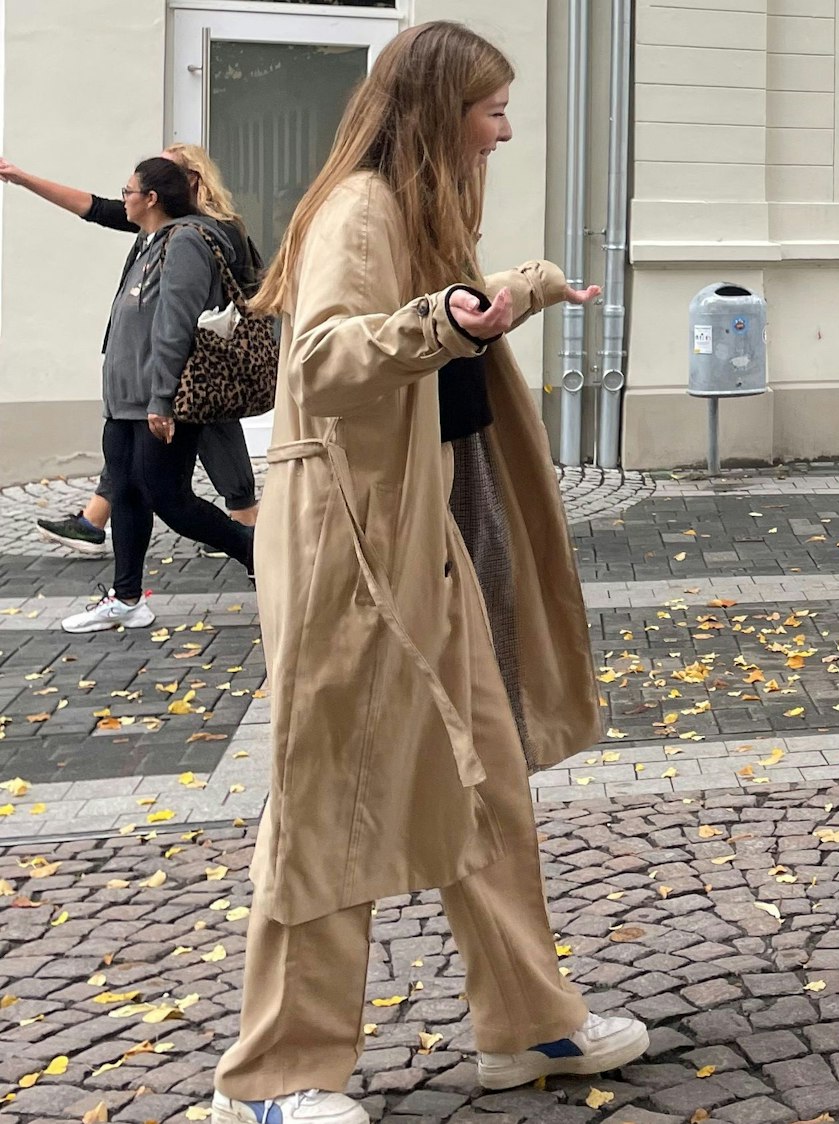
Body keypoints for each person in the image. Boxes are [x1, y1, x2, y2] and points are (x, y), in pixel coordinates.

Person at [207, 22, 644, 1124]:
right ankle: (275, 1080)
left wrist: (516, 289)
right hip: (349, 542)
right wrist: (441, 318)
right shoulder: (361, 206)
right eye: (492, 106)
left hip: (425, 531)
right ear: (439, 104)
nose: (505, 127)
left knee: (484, 779)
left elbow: (431, 324)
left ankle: (527, 1021)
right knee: (327, 798)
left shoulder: (420, 208)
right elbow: (325, 357)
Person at [0, 145, 262, 557]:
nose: (131, 193)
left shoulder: (203, 232)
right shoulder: (157, 230)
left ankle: (249, 540)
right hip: (161, 373)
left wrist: (162, 390)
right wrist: (22, 177)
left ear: (186, 181)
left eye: (161, 172)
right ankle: (107, 543)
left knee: (178, 484)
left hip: (198, 368)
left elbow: (204, 307)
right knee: (131, 470)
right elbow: (96, 208)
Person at [56, 157, 258, 634]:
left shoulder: (185, 240)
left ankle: (260, 553)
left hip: (157, 399)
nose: (122, 197)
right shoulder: (149, 242)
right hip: (125, 400)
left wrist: (161, 398)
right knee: (125, 492)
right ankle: (126, 599)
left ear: (150, 199)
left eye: (127, 191)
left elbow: (175, 325)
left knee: (169, 498)